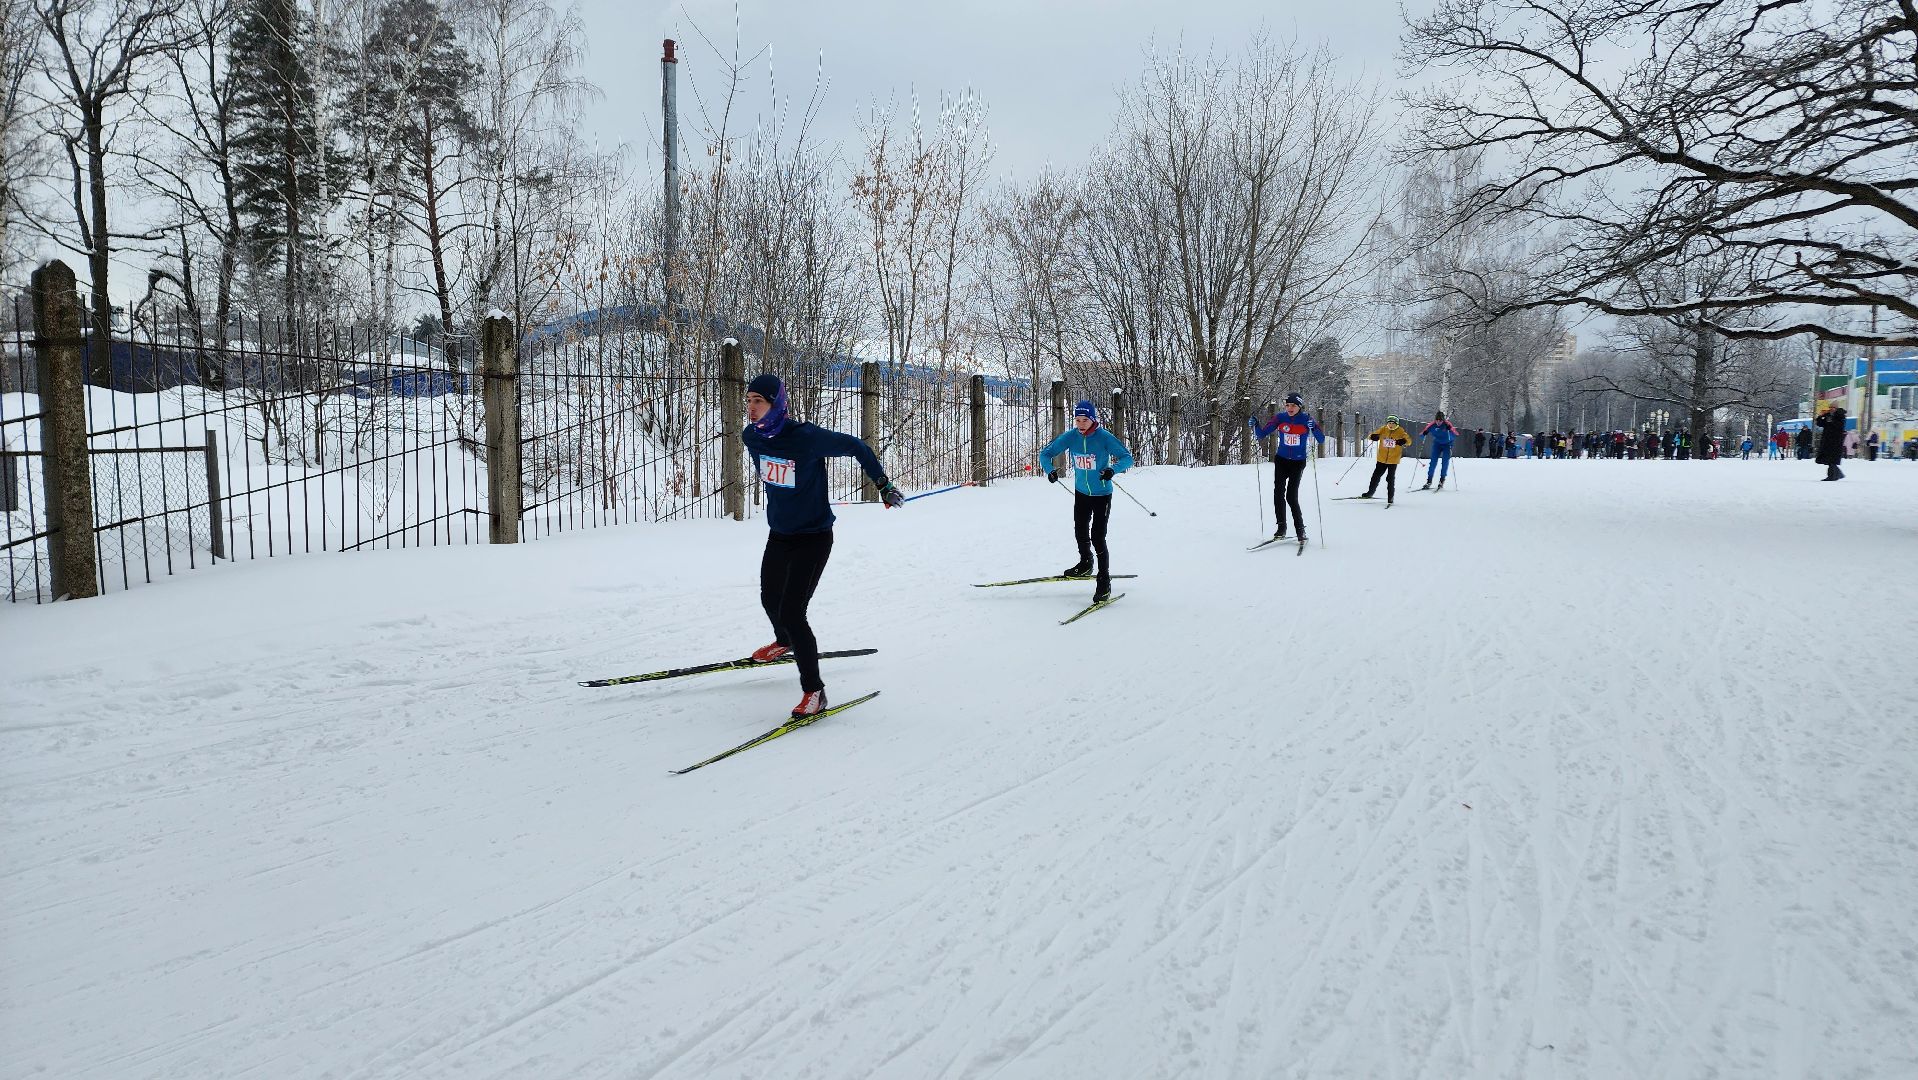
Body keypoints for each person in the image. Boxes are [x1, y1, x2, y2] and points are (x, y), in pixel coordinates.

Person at [742, 373, 904, 718]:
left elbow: (858, 447)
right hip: (780, 534)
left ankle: (815, 692)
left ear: (777, 404)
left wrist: (882, 484)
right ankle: (784, 643)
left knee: (792, 611)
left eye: (759, 400)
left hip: (813, 538)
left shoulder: (806, 438)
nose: (752, 408)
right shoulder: (751, 438)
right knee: (769, 597)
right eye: (749, 400)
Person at [1036, 400, 1135, 604]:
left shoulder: (1104, 437)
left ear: (1093, 419)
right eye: (1078, 420)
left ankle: (1104, 581)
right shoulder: (1071, 437)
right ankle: (1085, 562)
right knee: (1080, 530)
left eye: (1085, 420)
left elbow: (1127, 458)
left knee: (1097, 536)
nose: (1081, 424)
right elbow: (1045, 454)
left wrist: (1112, 470)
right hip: (1081, 492)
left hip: (1102, 495)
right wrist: (1050, 470)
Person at [1251, 393, 1326, 542]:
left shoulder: (1306, 419)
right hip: (1281, 460)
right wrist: (1255, 424)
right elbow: (1261, 434)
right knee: (1278, 493)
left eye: (1293, 405)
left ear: (1299, 407)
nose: (1290, 408)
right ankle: (1281, 528)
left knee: (1291, 496)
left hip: (1298, 462)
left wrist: (1314, 428)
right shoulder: (1280, 418)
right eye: (1287, 405)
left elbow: (1321, 439)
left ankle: (1300, 529)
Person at [1360, 415, 1412, 505]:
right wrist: (1373, 437)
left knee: (1390, 478)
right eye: (1389, 423)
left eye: (1393, 423)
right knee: (1375, 476)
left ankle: (1390, 497)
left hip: (1393, 460)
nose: (1391, 425)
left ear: (1397, 424)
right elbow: (1370, 436)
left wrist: (1402, 441)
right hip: (1382, 458)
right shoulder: (1383, 429)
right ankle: (1370, 493)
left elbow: (1409, 441)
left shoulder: (1400, 431)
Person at [1418, 410, 1458, 489]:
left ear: (1443, 420)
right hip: (1437, 444)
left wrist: (1450, 430)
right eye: (1437, 420)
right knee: (1433, 462)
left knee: (1445, 462)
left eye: (1440, 420)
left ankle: (1442, 480)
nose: (1438, 422)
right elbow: (1421, 435)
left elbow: (1455, 434)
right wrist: (1424, 433)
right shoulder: (1432, 425)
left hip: (1447, 444)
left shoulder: (1447, 424)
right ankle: (1429, 481)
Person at [1815, 406, 1848, 481]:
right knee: (1829, 460)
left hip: (1835, 441)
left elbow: (1839, 426)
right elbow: (1820, 423)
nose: (1831, 409)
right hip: (1827, 441)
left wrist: (1831, 421)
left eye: (1833, 407)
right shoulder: (1828, 416)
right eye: (1830, 407)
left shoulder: (1840, 415)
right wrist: (1821, 416)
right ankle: (1838, 474)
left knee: (1831, 460)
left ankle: (1832, 476)